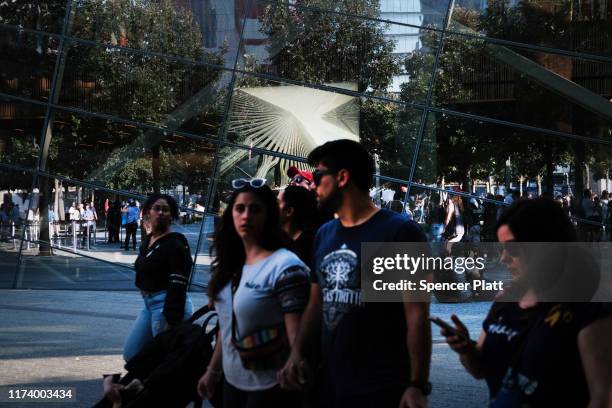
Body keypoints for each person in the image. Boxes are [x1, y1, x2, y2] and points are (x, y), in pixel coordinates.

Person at [279, 139, 431, 408]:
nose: (312, 185)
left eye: (317, 175)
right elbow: (316, 303)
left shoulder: (400, 234)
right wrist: (297, 353)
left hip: (381, 388)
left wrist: (417, 384)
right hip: (328, 384)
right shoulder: (325, 234)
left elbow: (416, 314)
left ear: (342, 177)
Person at [440, 198, 612, 407]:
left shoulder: (588, 315)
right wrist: (466, 349)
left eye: (512, 249)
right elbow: (481, 369)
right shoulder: (506, 301)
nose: (503, 258)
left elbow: (602, 398)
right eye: (501, 248)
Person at [197, 179, 310, 408]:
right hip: (232, 381)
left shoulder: (285, 266)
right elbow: (227, 326)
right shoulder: (230, 265)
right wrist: (213, 370)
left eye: (255, 209)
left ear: (269, 216)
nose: (246, 216)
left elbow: (297, 336)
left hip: (271, 386)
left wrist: (295, 365)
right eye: (240, 208)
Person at [123, 194, 194, 362]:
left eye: (166, 209)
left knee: (164, 359)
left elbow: (178, 284)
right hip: (149, 306)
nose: (161, 212)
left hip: (166, 308)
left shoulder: (175, 244)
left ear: (172, 215)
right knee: (132, 354)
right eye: (157, 208)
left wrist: (172, 319)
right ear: (148, 212)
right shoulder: (149, 240)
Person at [278, 185, 318, 267]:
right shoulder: (274, 240)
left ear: (289, 211)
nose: (272, 206)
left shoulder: (310, 247)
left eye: (277, 202)